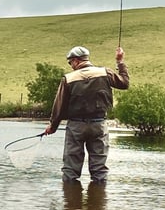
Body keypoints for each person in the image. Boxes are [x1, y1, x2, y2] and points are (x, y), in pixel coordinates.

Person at [44, 46, 129, 183]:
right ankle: (98, 201)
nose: (71, 66)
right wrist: (120, 62)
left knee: (70, 170)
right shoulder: (105, 72)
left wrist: (52, 126)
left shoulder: (68, 78)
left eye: (70, 62)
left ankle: (70, 202)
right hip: (99, 125)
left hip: (76, 127)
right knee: (99, 170)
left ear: (76, 61)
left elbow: (59, 106)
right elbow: (124, 83)